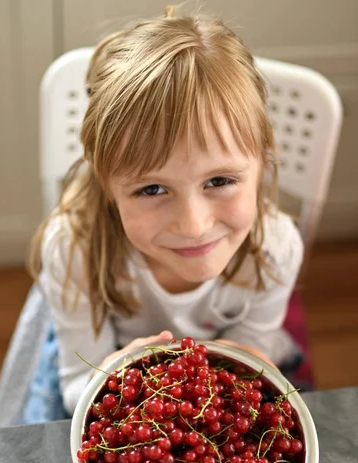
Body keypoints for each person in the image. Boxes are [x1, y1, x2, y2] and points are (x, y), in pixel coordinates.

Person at [27, 6, 303, 420]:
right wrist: (113, 378)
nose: (194, 225)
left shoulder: (276, 247)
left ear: (263, 163)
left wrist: (238, 367)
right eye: (152, 189)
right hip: (105, 373)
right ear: (107, 186)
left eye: (219, 181)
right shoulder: (74, 251)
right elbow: (74, 388)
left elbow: (253, 345)